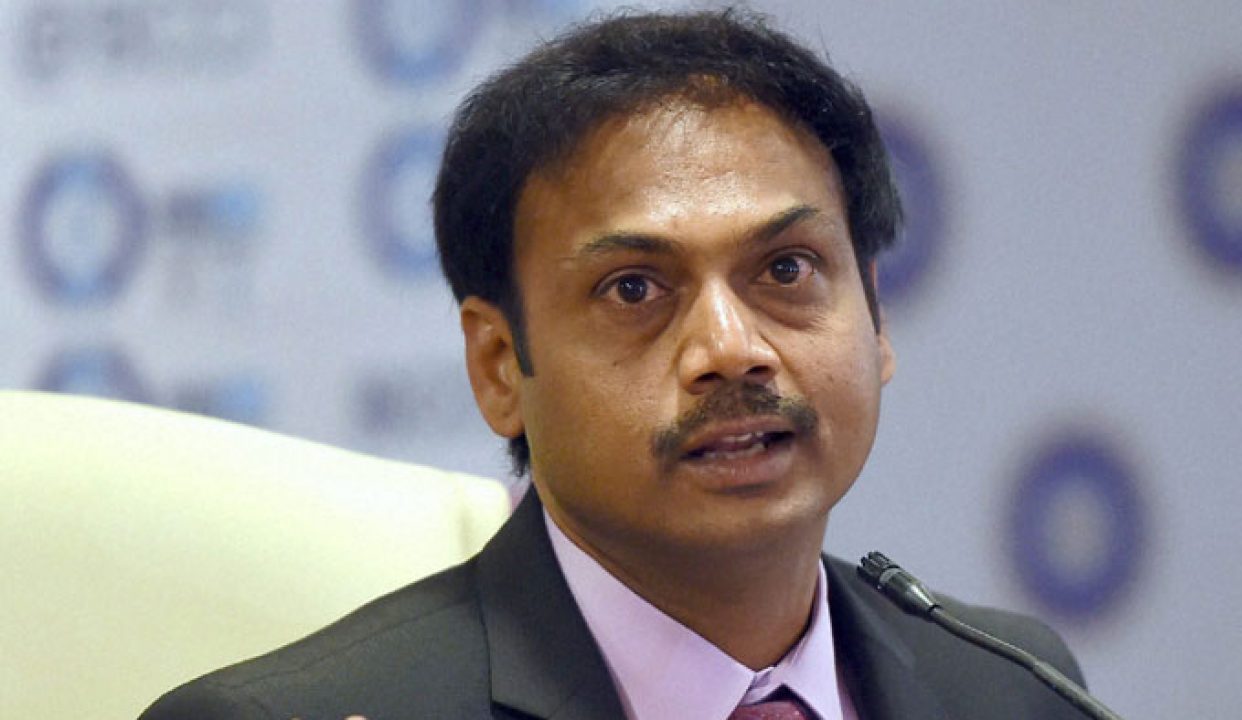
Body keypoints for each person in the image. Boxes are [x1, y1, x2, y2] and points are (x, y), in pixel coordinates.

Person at [142, 9, 1086, 720]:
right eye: (635, 288)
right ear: (499, 366)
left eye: (785, 270)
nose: (732, 349)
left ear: (874, 319)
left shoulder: (1014, 688)